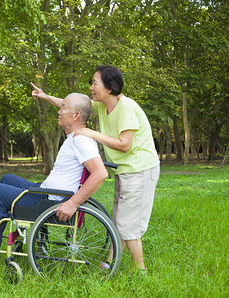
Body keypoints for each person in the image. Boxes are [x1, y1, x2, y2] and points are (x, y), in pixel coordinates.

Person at [31, 65, 160, 274]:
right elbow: (70, 106)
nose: (91, 87)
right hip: (124, 170)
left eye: (94, 82)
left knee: (128, 224)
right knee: (119, 218)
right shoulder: (102, 105)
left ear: (109, 87)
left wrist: (92, 133)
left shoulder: (126, 107)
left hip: (140, 170)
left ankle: (140, 271)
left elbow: (125, 144)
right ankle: (111, 260)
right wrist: (45, 97)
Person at [0, 92, 109, 263]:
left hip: (50, 201)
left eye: (63, 107)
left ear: (76, 115)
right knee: (7, 179)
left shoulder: (81, 140)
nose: (59, 111)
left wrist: (72, 203)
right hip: (45, 191)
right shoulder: (76, 137)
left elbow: (100, 173)